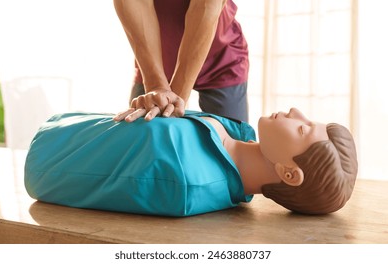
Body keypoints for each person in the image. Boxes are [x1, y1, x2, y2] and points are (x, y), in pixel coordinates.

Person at [24, 108, 358, 216]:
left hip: (44, 155)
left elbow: (57, 176)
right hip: (61, 122)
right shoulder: (234, 130)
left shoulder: (187, 182)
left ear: (289, 173)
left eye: (302, 129)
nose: (295, 112)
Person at [112, 0, 249, 123]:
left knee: (230, 140)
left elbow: (206, 4)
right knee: (143, 136)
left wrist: (174, 101)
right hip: (156, 59)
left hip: (220, 59)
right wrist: (155, 86)